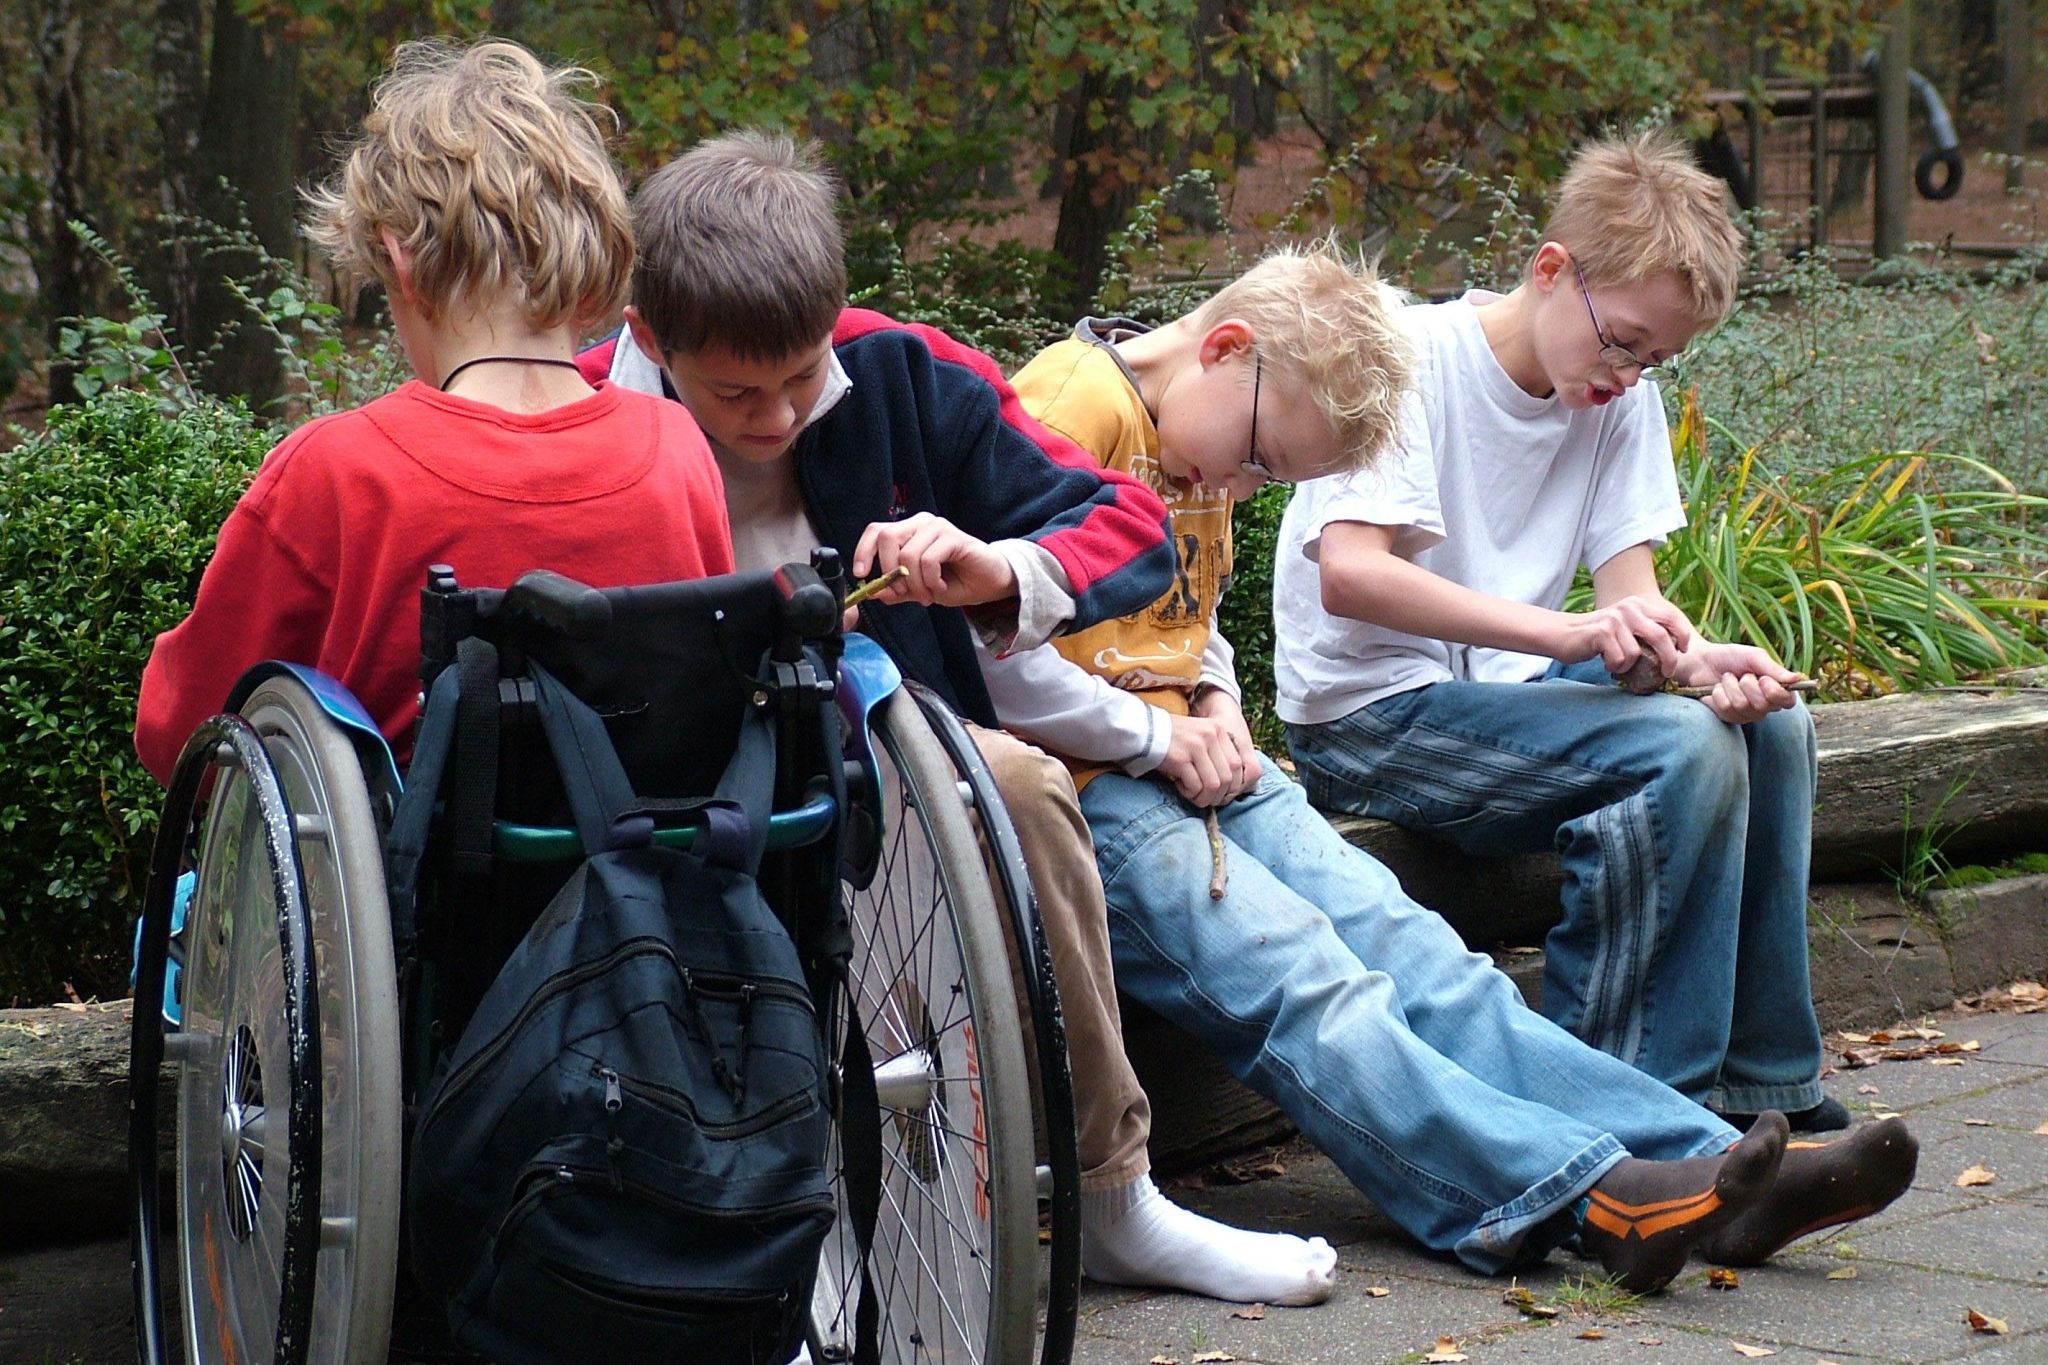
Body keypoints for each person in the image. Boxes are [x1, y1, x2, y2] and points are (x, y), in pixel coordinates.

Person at [996, 241, 1916, 1290]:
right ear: (1224, 349)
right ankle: (1588, 1197)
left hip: (1194, 762)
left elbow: (1184, 616)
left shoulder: (1197, 434)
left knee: (1420, 955)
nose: (1246, 486)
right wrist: (1159, 737)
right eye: (1258, 460)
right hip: (1082, 800)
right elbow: (984, 654)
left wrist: (1215, 700)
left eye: (1269, 475)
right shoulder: (1071, 407)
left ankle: (1703, 1159)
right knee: (1308, 983)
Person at [579, 129, 1343, 1306]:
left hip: (885, 760)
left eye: (800, 377)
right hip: (663, 779)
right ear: (647, 338)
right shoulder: (578, 412)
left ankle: (1111, 1193)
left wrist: (994, 567)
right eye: (735, 390)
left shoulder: (895, 367)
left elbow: (1123, 523)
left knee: (1022, 785)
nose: (779, 416)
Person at [1272, 130, 1844, 1133]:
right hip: (1370, 720)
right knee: (1671, 752)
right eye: (1620, 341)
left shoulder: (1618, 402)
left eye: (1655, 356)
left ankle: (1764, 1091)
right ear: (1550, 270)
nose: (1627, 373)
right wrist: (1567, 636)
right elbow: (1353, 576)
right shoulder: (1403, 361)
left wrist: (1701, 665)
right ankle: (1636, 1117)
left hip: (1505, 701)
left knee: (1768, 730)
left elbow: (1629, 607)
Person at [135, 39, 744, 781]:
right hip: (657, 868)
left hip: (411, 886)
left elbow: (183, 735)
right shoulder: (676, 444)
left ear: (402, 262)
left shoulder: (338, 471)